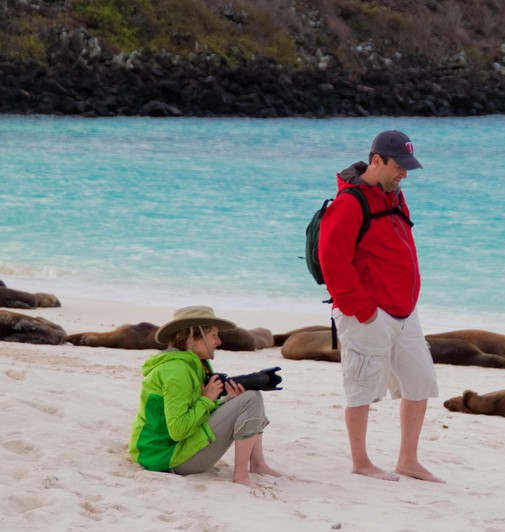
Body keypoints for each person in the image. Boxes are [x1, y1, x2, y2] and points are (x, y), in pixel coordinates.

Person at [318, 130, 443, 483]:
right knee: (361, 386)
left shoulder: (395, 197)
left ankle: (408, 460)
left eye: (407, 167)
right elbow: (332, 261)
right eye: (398, 166)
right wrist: (363, 309)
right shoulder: (349, 203)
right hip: (368, 313)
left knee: (420, 382)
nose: (404, 173)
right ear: (376, 161)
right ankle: (361, 461)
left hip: (405, 312)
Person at [129, 306, 281, 488]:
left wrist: (223, 402)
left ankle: (258, 465)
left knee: (249, 395)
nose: (219, 341)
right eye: (214, 335)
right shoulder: (177, 371)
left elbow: (193, 410)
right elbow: (178, 430)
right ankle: (241, 476)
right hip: (166, 458)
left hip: (169, 451)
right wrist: (208, 399)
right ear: (194, 337)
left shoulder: (194, 364)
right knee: (251, 399)